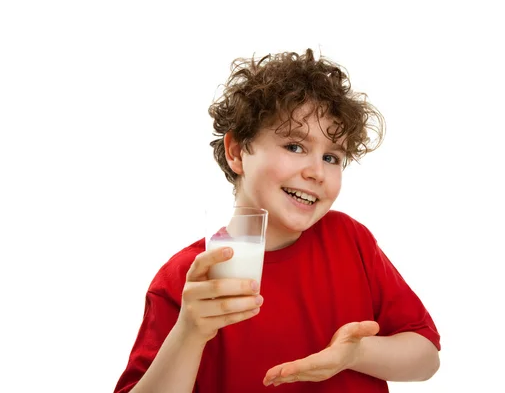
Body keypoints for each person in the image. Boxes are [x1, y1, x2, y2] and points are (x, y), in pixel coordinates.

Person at [114, 49, 441, 393]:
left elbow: (426, 356)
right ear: (237, 152)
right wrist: (189, 332)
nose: (316, 172)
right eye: (295, 146)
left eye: (331, 157)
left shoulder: (350, 240)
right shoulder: (185, 279)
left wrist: (355, 354)